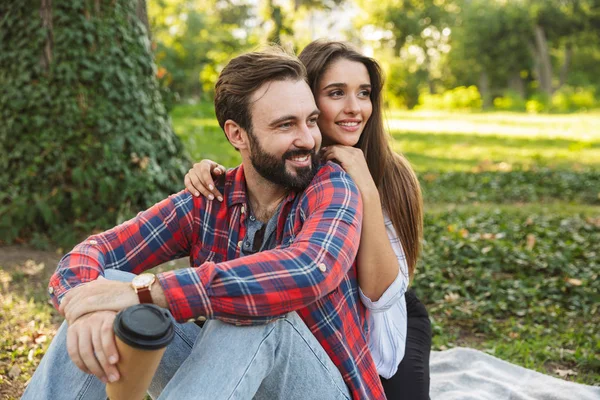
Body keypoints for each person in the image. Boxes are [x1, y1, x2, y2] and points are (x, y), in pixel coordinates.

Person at [23, 47, 386, 399]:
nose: (308, 139)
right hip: (227, 384)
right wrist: (83, 306)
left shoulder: (332, 186)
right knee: (104, 290)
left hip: (324, 388)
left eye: (310, 120)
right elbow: (93, 252)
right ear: (237, 134)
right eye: (285, 125)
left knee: (256, 310)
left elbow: (310, 269)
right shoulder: (210, 199)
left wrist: (147, 291)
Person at [184, 40, 432, 399]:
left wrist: (366, 187)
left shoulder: (391, 174)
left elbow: (381, 294)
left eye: (364, 93)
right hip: (302, 317)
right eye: (336, 93)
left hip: (385, 318)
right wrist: (207, 171)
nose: (354, 108)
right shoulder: (287, 163)